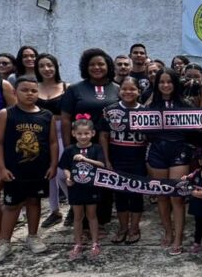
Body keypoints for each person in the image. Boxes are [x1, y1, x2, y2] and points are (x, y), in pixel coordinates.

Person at [0, 76, 58, 264]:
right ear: (14, 92)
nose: (29, 94)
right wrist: (1, 168)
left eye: (33, 91)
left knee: (34, 201)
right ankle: (4, 242)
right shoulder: (6, 114)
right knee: (12, 205)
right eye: (24, 90)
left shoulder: (46, 115)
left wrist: (53, 165)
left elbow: (52, 142)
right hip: (14, 170)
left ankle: (33, 236)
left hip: (39, 169)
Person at [60, 48, 120, 228]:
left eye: (101, 64)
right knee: (82, 182)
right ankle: (82, 224)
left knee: (104, 182)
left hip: (109, 145)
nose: (97, 67)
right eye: (92, 64)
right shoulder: (75, 89)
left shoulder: (117, 88)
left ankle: (101, 222)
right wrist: (69, 147)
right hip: (82, 144)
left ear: (108, 66)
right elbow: (65, 119)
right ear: (85, 67)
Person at [145, 69, 192, 255]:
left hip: (179, 150)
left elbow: (198, 126)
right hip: (157, 151)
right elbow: (139, 122)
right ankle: (168, 231)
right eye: (161, 82)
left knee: (177, 196)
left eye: (169, 82)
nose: (165, 85)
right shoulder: (150, 104)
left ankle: (178, 237)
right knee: (162, 195)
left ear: (175, 83)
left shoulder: (185, 104)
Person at [99, 77, 147, 245]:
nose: (128, 92)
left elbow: (151, 138)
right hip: (117, 160)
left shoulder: (146, 112)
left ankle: (134, 228)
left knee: (136, 195)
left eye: (132, 89)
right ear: (119, 91)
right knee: (120, 195)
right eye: (124, 89)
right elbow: (103, 136)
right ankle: (122, 228)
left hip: (138, 160)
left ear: (139, 92)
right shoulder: (109, 110)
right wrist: (107, 160)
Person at [60, 117, 105, 259]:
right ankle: (78, 243)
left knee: (92, 215)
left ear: (93, 133)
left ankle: (95, 243)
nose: (83, 136)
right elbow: (65, 167)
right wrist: (68, 178)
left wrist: (85, 159)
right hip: (75, 188)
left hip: (91, 187)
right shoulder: (69, 150)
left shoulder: (96, 148)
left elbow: (102, 165)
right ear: (73, 133)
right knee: (78, 217)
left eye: (86, 133)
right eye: (79, 133)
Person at [35, 54, 67, 229]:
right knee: (49, 175)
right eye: (42, 66)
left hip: (62, 133)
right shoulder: (33, 88)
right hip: (40, 134)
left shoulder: (67, 87)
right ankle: (54, 211)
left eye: (50, 65)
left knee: (62, 173)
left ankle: (74, 205)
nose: (46, 69)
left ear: (56, 66)